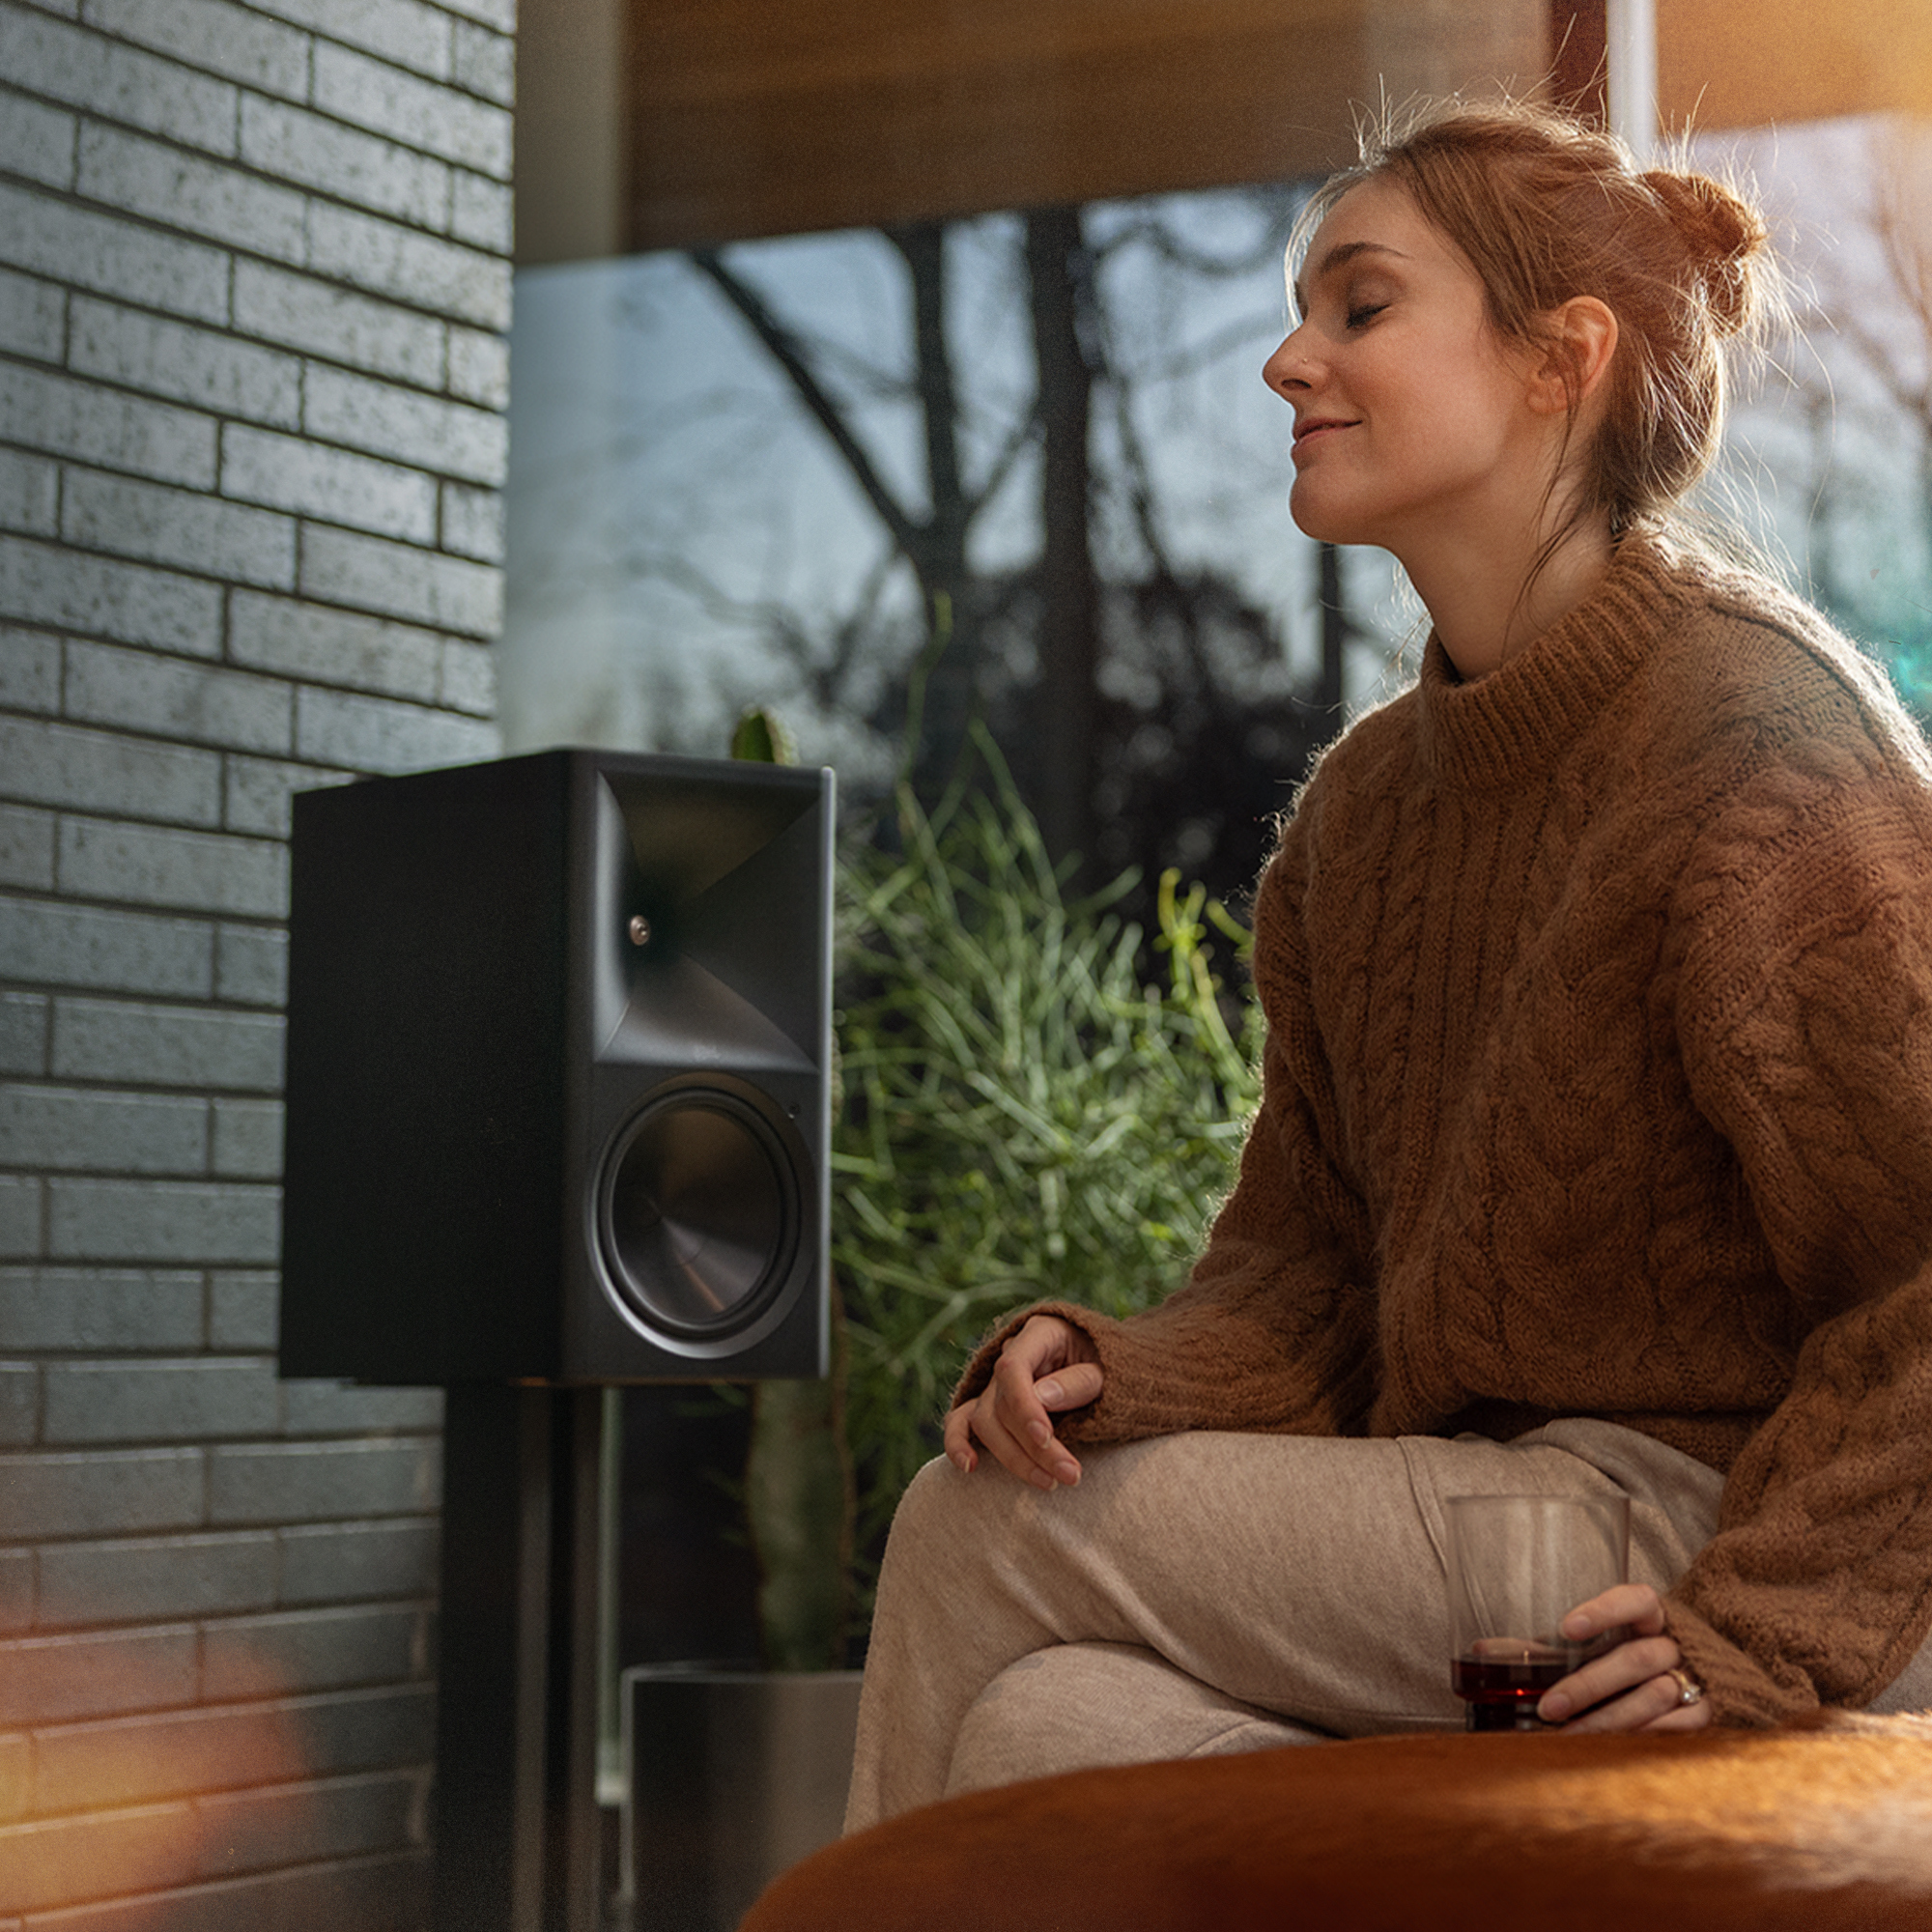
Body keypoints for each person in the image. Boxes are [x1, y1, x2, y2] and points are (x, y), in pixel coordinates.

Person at [843, 99, 1932, 1832]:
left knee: (977, 1533)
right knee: (1045, 1732)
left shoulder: (1760, 743)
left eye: (1359, 306)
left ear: (1558, 360)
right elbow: (1310, 1271)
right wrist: (1116, 1370)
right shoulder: (1358, 819)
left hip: (1703, 1521)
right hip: (1469, 1514)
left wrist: (1760, 1631)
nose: (1287, 362)